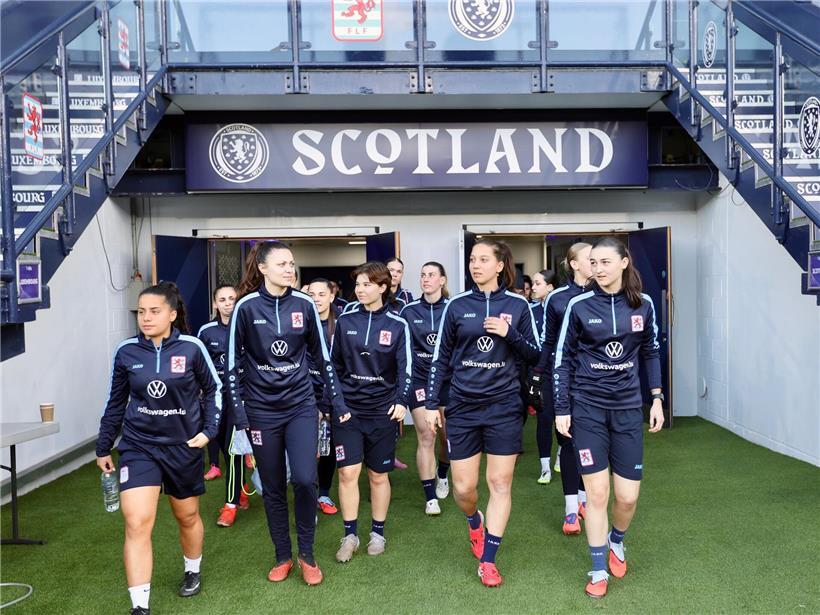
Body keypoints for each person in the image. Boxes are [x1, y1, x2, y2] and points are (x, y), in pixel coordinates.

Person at [227, 241, 349, 586]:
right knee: (273, 486)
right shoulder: (246, 308)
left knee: (306, 480)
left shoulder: (305, 304)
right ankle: (283, 555)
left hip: (301, 407)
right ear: (263, 268)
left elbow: (321, 358)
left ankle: (306, 554)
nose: (289, 269)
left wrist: (336, 402)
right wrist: (239, 412)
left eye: (292, 264)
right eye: (281, 263)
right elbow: (234, 363)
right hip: (262, 411)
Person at [96, 282, 221, 615]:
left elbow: (214, 390)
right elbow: (116, 401)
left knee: (187, 515)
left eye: (154, 311)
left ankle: (192, 569)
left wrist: (209, 432)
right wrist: (103, 445)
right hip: (139, 447)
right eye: (141, 312)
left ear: (172, 314)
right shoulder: (126, 352)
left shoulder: (192, 348)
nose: (146, 318)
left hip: (183, 446)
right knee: (137, 521)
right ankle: (140, 606)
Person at [424, 239, 540, 587]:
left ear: (500, 264)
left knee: (500, 483)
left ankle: (489, 559)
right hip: (462, 406)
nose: (476, 265)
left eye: (483, 259)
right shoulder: (457, 306)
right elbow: (440, 358)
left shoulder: (518, 306)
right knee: (464, 488)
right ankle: (474, 521)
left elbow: (536, 355)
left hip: (504, 406)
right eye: (473, 260)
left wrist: (510, 334)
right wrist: (432, 403)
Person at [553, 236, 665, 598]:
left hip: (629, 410)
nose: (598, 269)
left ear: (623, 262)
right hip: (587, 409)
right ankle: (598, 567)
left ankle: (617, 541)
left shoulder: (644, 305)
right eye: (593, 263)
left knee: (627, 498)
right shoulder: (580, 305)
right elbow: (563, 360)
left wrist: (657, 399)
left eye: (604, 262)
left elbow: (651, 353)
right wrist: (562, 408)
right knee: (597, 493)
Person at [330, 261, 411, 562]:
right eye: (358, 284)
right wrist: (338, 405)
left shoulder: (397, 324)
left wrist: (402, 401)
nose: (360, 290)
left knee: (378, 475)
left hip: (382, 413)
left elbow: (406, 369)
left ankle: (377, 532)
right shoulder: (345, 321)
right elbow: (333, 368)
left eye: (366, 284)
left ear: (382, 287)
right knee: (348, 472)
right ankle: (349, 535)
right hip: (349, 412)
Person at [536, 245, 593, 535]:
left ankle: (584, 501)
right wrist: (538, 376)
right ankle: (571, 511)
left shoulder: (604, 294)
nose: (594, 262)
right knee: (568, 441)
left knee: (590, 443)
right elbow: (547, 342)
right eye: (589, 257)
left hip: (594, 382)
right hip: (561, 379)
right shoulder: (556, 299)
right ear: (573, 264)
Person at [400, 262, 452, 516]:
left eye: (432, 275)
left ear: (442, 280)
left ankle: (443, 473)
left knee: (447, 436)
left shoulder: (453, 309)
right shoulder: (409, 311)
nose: (426, 279)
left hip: (448, 380)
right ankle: (430, 497)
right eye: (422, 274)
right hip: (420, 380)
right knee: (426, 433)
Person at [197, 285, 251, 527]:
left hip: (243, 397)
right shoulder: (206, 331)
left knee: (233, 450)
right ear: (215, 304)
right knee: (225, 449)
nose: (228, 303)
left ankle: (230, 505)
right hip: (216, 398)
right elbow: (198, 366)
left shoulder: (250, 326)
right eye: (223, 299)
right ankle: (240, 487)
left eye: (232, 298)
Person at [307, 278, 341, 515]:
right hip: (306, 395)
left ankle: (324, 494)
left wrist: (330, 401)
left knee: (329, 447)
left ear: (331, 296)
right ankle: (307, 495)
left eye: (321, 294)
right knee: (307, 449)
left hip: (335, 395)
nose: (316, 299)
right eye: (312, 294)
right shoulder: (300, 324)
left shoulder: (342, 324)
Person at [527, 270, 560, 484]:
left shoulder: (563, 308)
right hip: (541, 372)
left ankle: (561, 455)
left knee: (564, 420)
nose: (533, 287)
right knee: (544, 419)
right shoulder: (530, 310)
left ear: (550, 287)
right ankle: (545, 467)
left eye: (538, 283)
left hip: (563, 372)